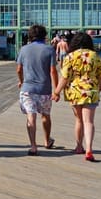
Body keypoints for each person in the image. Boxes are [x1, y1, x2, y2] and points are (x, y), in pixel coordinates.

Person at [51, 31, 101, 162]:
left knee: (79, 120)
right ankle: (89, 149)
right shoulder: (95, 56)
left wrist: (56, 92)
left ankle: (79, 146)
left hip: (75, 92)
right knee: (89, 121)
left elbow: (65, 77)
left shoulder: (70, 57)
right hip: (91, 91)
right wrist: (99, 85)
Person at [16, 23, 59, 155]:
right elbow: (53, 71)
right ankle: (47, 141)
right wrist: (56, 90)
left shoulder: (23, 49)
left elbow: (19, 69)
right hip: (44, 89)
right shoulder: (49, 49)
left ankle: (33, 146)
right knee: (45, 115)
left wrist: (21, 81)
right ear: (44, 36)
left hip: (28, 89)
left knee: (31, 116)